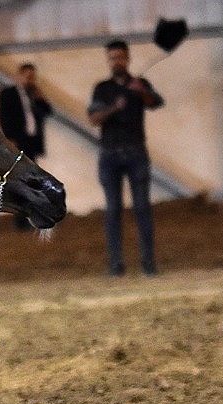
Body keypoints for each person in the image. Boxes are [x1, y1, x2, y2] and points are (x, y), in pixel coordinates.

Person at [87, 40, 164, 277]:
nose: (116, 61)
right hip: (109, 155)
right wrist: (115, 108)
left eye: (120, 57)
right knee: (113, 210)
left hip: (135, 153)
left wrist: (141, 91)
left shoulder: (138, 84)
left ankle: (148, 263)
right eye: (112, 57)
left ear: (127, 59)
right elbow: (94, 118)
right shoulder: (102, 88)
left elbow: (156, 102)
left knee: (142, 207)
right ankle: (116, 264)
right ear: (108, 60)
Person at [0, 63, 53, 230]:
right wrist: (10, 139)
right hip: (17, 143)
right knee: (19, 182)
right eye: (28, 76)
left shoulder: (33, 95)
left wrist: (39, 97)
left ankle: (31, 217)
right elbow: (4, 117)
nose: (30, 80)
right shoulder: (7, 94)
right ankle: (20, 221)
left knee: (32, 182)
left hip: (32, 143)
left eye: (32, 77)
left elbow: (48, 111)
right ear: (19, 76)